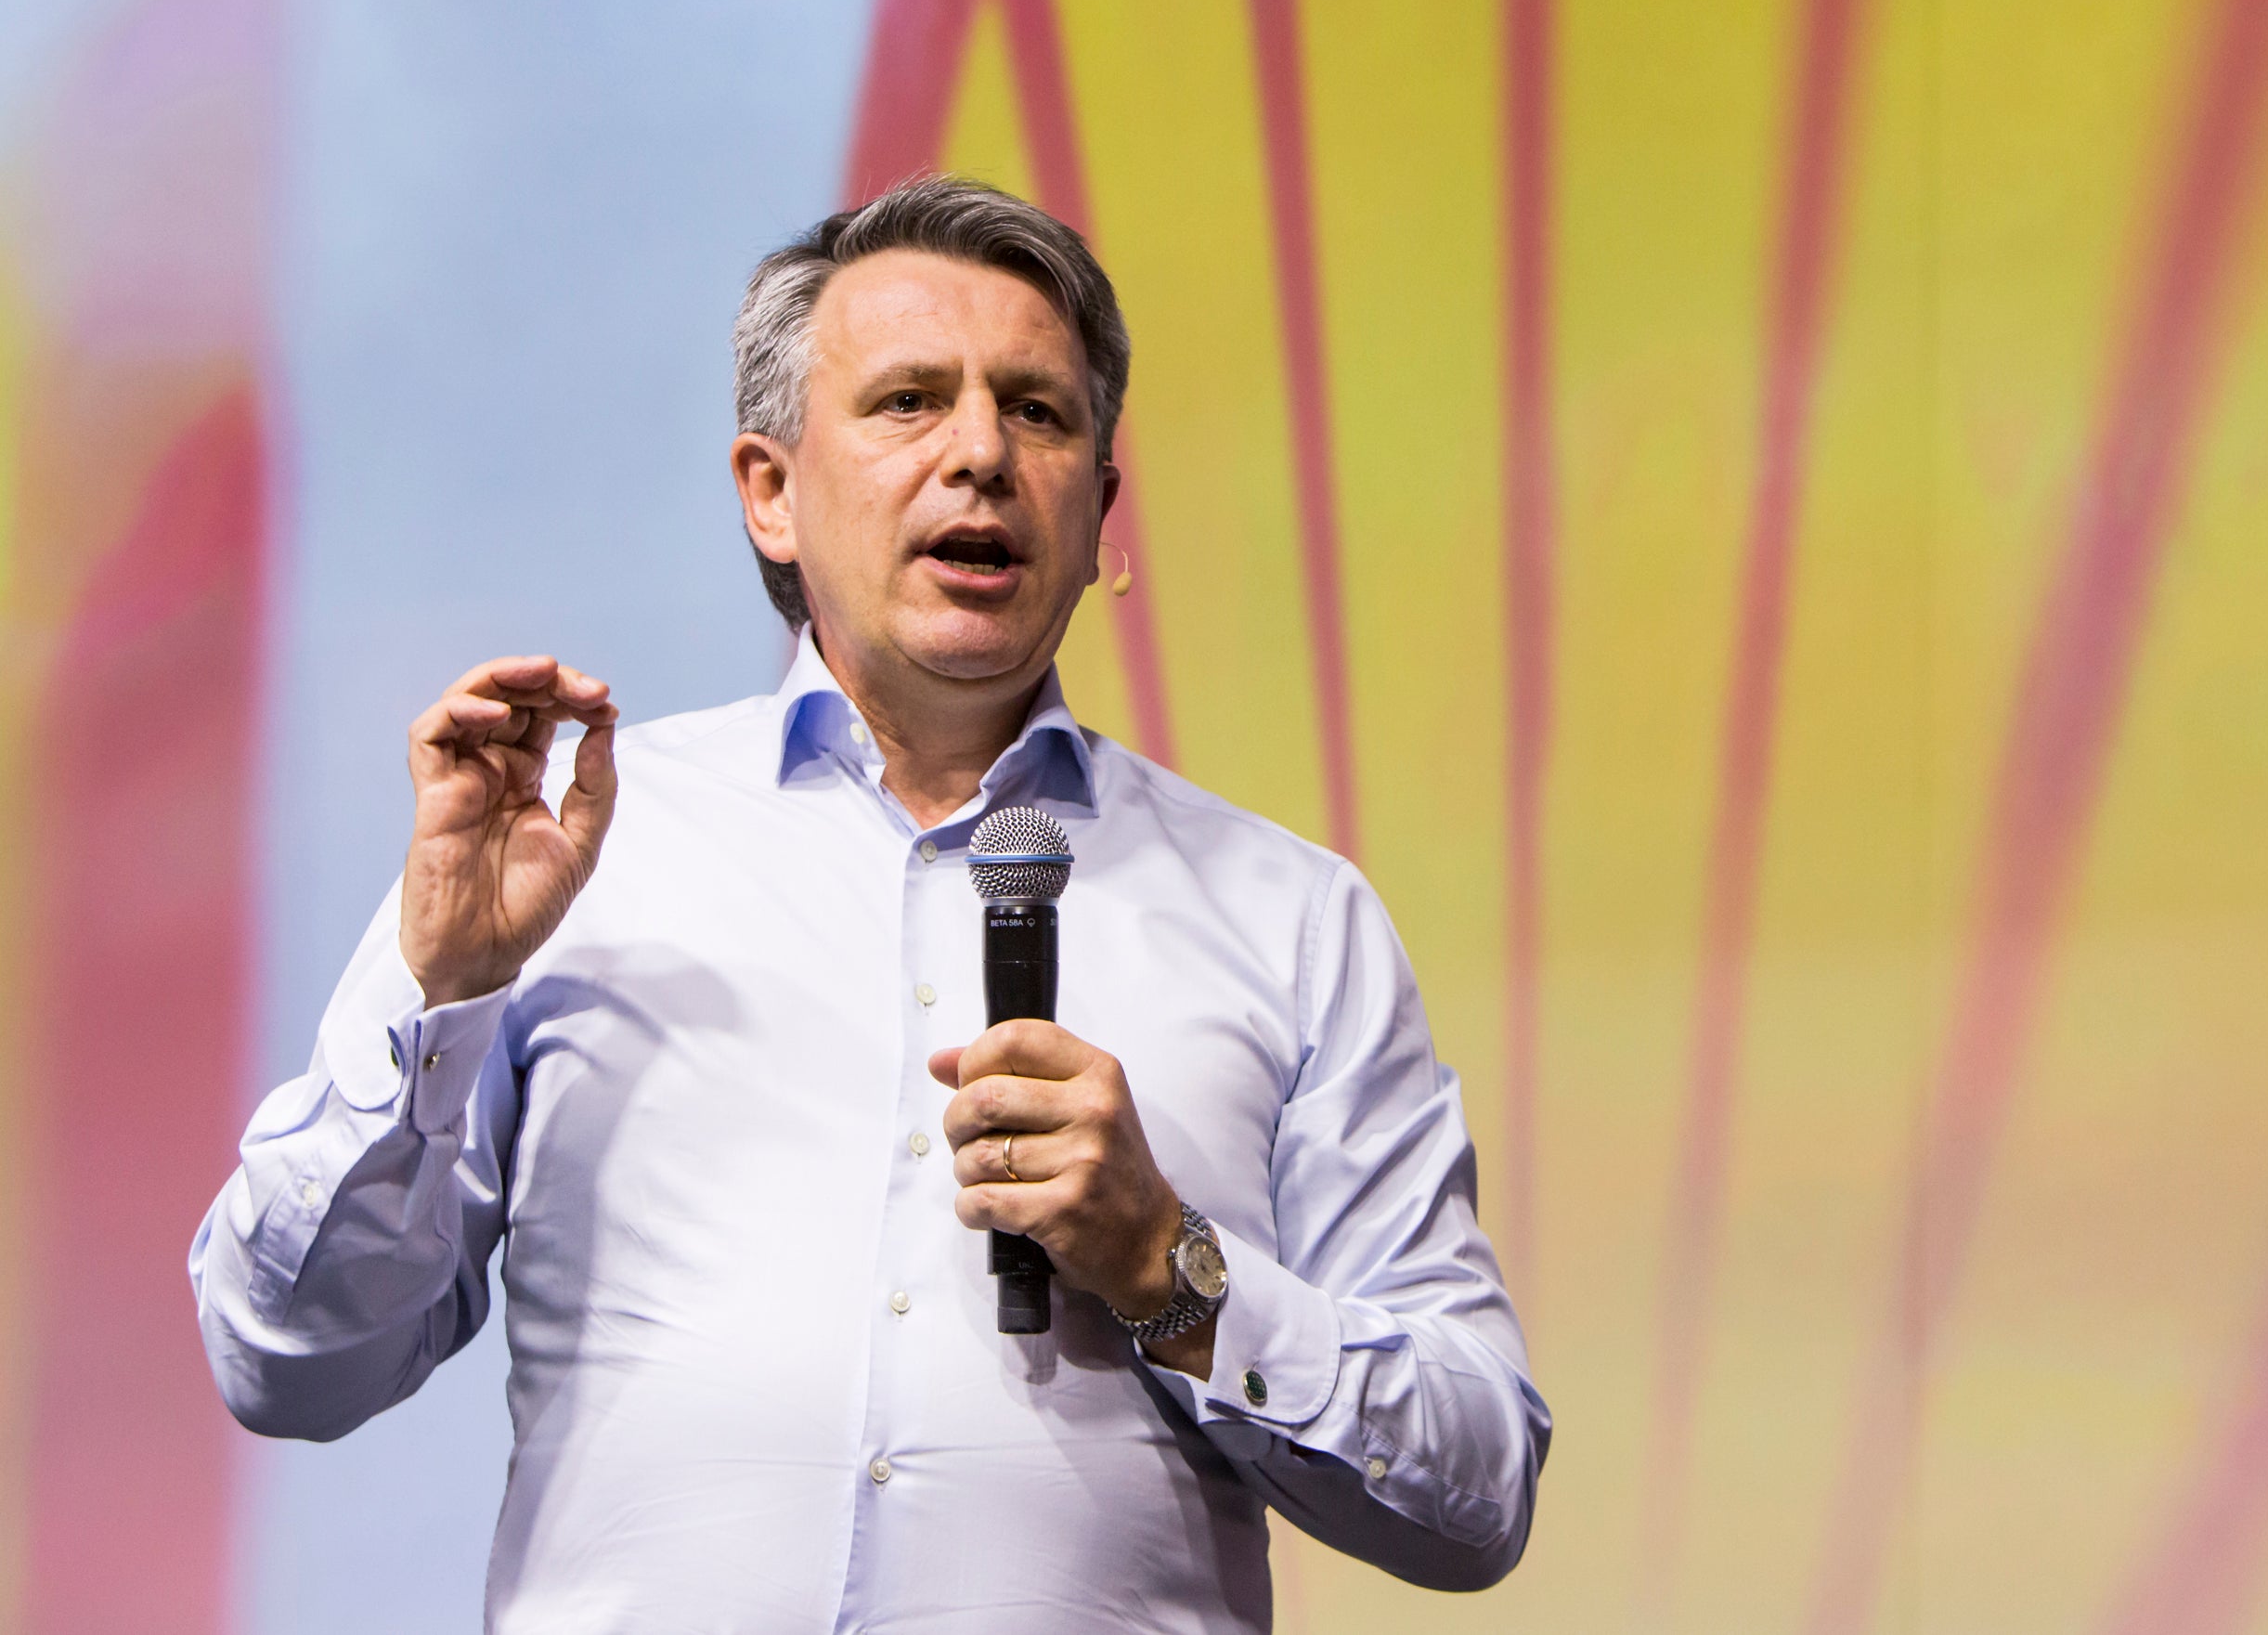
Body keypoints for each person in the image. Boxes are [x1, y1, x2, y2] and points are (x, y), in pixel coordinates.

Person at [189, 175, 1549, 1632]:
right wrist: (436, 987)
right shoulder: (578, 860)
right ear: (769, 492)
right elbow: (289, 1357)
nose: (980, 455)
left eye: (1039, 413)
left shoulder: (1288, 918)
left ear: (1100, 509)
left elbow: (1476, 1487)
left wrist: (1172, 1270)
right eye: (910, 401)